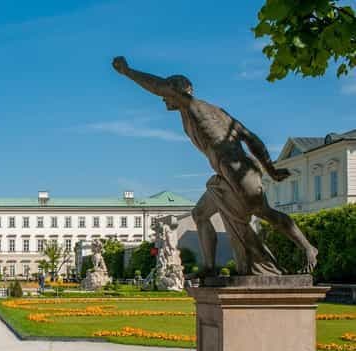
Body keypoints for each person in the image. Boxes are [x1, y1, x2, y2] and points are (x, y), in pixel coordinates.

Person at [113, 56, 316, 276]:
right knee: (200, 214)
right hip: (226, 172)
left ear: (178, 91)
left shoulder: (195, 107)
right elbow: (251, 138)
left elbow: (158, 86)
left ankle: (308, 248)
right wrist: (270, 170)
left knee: (263, 212)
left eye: (167, 94)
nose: (163, 99)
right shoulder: (212, 112)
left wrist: (127, 71)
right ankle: (209, 268)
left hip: (236, 169)